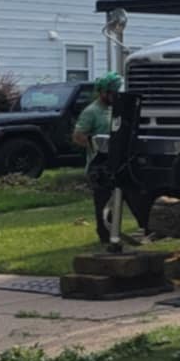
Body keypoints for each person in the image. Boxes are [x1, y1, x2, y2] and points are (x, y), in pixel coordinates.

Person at [74, 72, 153, 247]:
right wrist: (96, 146)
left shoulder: (118, 109)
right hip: (101, 166)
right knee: (104, 202)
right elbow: (78, 136)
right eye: (111, 92)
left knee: (136, 198)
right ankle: (106, 236)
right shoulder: (91, 111)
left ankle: (148, 229)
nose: (114, 95)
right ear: (102, 92)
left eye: (117, 91)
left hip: (121, 163)